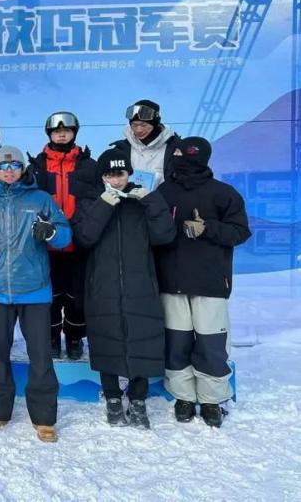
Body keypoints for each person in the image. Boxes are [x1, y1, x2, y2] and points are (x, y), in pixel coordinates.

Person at [72, 148, 176, 429]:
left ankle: (138, 398)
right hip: (102, 285)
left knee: (141, 338)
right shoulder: (91, 201)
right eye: (109, 175)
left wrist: (150, 201)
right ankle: (113, 397)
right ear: (102, 177)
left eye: (120, 174)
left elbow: (165, 235)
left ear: (129, 174)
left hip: (140, 283)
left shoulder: (142, 201)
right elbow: (84, 237)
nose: (115, 180)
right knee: (106, 338)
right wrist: (104, 204)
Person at [0, 146, 69, 442]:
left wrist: (51, 233)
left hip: (34, 289)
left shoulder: (40, 199)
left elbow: (65, 234)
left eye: (14, 165)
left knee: (40, 354)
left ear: (23, 169)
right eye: (3, 167)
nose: (9, 171)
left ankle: (44, 418)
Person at [155, 137, 251, 428]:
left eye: (182, 153)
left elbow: (240, 232)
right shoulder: (164, 192)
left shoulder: (223, 193)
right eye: (176, 153)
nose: (177, 157)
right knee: (176, 342)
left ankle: (212, 399)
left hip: (210, 282)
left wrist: (208, 227)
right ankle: (183, 396)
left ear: (197, 156)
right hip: (171, 281)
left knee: (211, 343)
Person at [27, 111, 99, 360]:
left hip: (78, 243)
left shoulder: (88, 165)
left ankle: (75, 337)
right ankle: (52, 337)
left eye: (66, 131)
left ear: (74, 133)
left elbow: (98, 200)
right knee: (50, 296)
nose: (61, 134)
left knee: (77, 296)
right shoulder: (37, 166)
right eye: (56, 131)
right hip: (45, 245)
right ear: (49, 134)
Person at [110, 100, 179, 191]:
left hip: (164, 199)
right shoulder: (121, 149)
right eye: (134, 125)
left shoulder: (175, 148)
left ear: (155, 123)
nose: (139, 130)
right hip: (128, 199)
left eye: (144, 125)